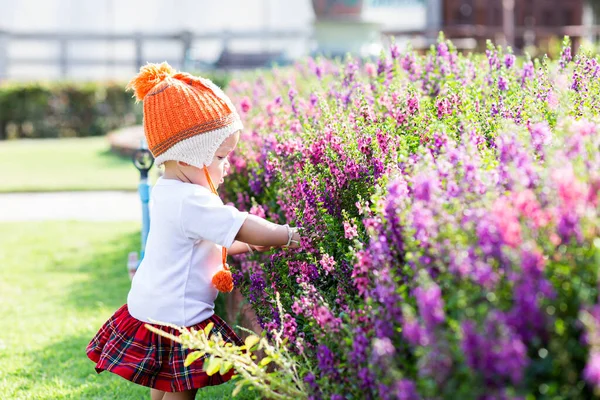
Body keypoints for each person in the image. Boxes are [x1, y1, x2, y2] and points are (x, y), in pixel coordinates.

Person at [86, 62, 301, 400]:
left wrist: (248, 246)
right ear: (187, 158)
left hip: (152, 307)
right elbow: (242, 223)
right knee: (182, 388)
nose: (227, 164)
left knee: (165, 381)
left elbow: (202, 246)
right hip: (179, 316)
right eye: (220, 156)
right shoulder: (192, 201)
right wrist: (287, 235)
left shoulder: (169, 189)